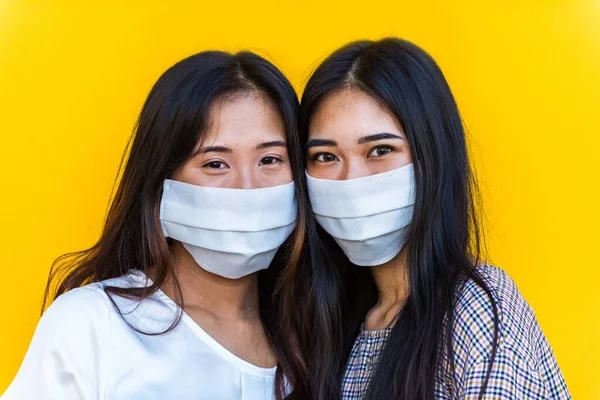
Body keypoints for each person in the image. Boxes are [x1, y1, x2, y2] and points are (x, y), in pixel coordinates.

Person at [3, 50, 314, 400]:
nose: (246, 188)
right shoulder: (92, 325)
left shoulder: (319, 338)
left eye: (270, 159)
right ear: (162, 180)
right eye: (214, 163)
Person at [299, 37, 571, 399]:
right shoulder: (337, 321)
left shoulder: (475, 308)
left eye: (380, 150)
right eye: (325, 156)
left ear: (433, 156)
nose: (351, 183)